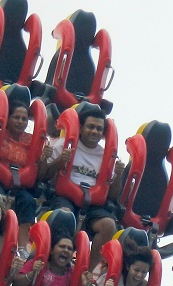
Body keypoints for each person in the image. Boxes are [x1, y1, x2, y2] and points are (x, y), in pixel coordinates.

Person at [39, 103, 124, 269]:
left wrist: (119, 176)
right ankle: (53, 263)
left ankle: (87, 271)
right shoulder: (64, 144)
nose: (94, 132)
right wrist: (59, 161)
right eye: (90, 127)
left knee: (109, 225)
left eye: (99, 129)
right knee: (64, 215)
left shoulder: (106, 155)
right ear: (81, 127)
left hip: (93, 204)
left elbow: (113, 195)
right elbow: (44, 176)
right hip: (66, 197)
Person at [0, 94, 50, 247]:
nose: (20, 122)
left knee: (28, 201)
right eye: (16, 117)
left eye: (24, 119)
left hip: (19, 185)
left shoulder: (32, 140)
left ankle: (20, 248)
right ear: (7, 118)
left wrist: (43, 159)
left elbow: (40, 175)